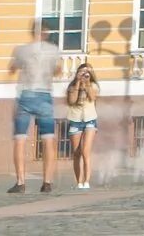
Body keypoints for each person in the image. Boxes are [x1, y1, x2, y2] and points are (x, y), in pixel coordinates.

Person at [8, 21, 61, 194]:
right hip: (44, 95)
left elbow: (12, 69)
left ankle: (20, 182)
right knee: (48, 139)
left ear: (32, 32)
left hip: (26, 95)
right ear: (46, 33)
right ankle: (47, 182)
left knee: (20, 139)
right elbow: (58, 70)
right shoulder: (53, 50)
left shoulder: (22, 50)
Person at [64, 63, 99, 191]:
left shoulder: (94, 85)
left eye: (87, 72)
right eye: (82, 72)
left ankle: (86, 180)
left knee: (85, 152)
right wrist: (78, 83)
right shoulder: (72, 86)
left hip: (90, 120)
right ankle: (79, 181)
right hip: (75, 120)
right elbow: (72, 101)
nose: (84, 74)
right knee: (77, 153)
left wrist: (87, 83)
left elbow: (93, 97)